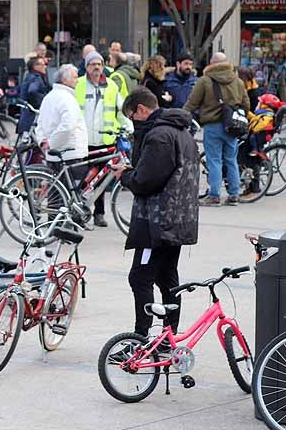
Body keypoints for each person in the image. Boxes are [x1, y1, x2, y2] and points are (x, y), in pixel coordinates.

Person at [113, 86, 199, 342]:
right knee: (167, 279)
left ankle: (141, 340)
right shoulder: (181, 132)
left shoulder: (159, 136)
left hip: (158, 223)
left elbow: (145, 181)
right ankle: (167, 338)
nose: (133, 125)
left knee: (140, 277)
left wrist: (125, 175)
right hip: (178, 219)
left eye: (132, 117)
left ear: (141, 109)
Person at [183, 52, 249, 206]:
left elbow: (192, 103)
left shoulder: (205, 81)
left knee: (214, 161)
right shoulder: (238, 81)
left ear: (212, 63)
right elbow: (246, 104)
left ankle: (214, 196)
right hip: (232, 127)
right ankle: (234, 195)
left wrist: (180, 116)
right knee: (231, 160)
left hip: (212, 126)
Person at [74, 51, 124, 226]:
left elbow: (122, 109)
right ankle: (78, 210)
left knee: (100, 179)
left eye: (99, 64)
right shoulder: (78, 84)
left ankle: (99, 213)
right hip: (82, 140)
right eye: (92, 64)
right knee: (83, 178)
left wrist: (128, 126)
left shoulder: (111, 86)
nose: (96, 67)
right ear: (87, 67)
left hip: (104, 140)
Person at [35, 64, 88, 162]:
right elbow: (68, 126)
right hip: (70, 154)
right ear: (64, 80)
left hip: (52, 155)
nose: (78, 80)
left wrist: (42, 141)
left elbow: (40, 123)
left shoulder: (48, 97)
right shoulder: (67, 98)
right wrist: (51, 143)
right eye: (75, 77)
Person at [17, 56, 51, 135]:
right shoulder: (35, 78)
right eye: (43, 65)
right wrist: (44, 101)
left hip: (26, 112)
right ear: (35, 67)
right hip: (31, 113)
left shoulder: (30, 75)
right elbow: (32, 91)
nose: (45, 67)